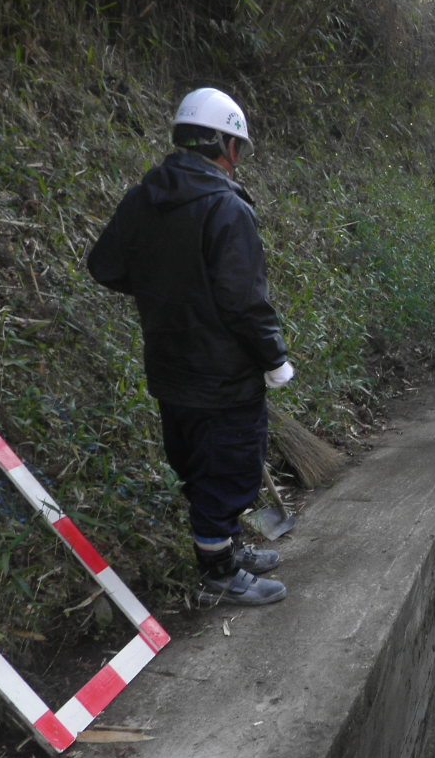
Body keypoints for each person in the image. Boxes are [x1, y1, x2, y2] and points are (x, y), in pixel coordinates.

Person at [87, 87, 292, 607]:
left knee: (196, 464)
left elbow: (105, 266)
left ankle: (226, 547)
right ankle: (220, 572)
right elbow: (244, 302)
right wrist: (274, 359)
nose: (238, 162)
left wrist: (168, 293)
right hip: (224, 375)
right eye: (238, 149)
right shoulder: (225, 209)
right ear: (223, 144)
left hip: (169, 366)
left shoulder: (144, 198)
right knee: (228, 469)